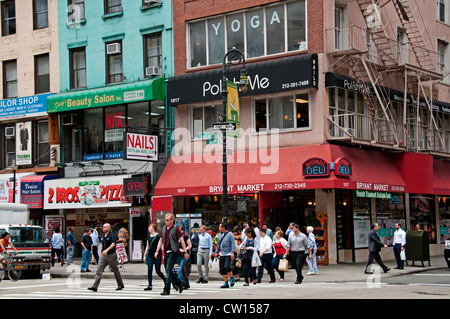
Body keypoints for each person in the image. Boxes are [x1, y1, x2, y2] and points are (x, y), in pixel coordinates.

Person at [155, 213, 189, 296]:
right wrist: (157, 251)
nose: (166, 221)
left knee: (168, 270)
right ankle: (179, 282)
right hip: (166, 252)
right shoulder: (163, 229)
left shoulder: (176, 229)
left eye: (167, 220)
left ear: (172, 220)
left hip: (173, 252)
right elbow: (160, 240)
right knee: (168, 270)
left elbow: (182, 240)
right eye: (165, 220)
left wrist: (185, 251)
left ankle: (166, 289)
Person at [87, 223, 125, 292]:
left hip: (111, 255)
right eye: (103, 227)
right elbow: (102, 243)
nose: (103, 228)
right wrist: (102, 251)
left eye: (105, 227)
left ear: (109, 228)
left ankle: (120, 284)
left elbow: (113, 244)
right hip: (104, 256)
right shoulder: (102, 236)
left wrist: (107, 250)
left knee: (115, 270)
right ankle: (95, 286)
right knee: (99, 270)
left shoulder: (112, 235)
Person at [143, 223, 166, 291]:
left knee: (157, 270)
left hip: (157, 255)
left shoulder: (158, 236)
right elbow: (147, 246)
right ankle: (150, 285)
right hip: (150, 255)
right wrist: (144, 255)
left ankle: (165, 280)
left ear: (153, 228)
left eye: (150, 227)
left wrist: (164, 254)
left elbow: (161, 245)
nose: (148, 229)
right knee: (149, 269)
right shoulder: (148, 236)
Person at [214, 223, 236, 288]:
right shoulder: (220, 235)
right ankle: (226, 282)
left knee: (227, 266)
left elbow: (233, 243)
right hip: (222, 253)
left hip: (228, 253)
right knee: (222, 268)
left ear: (223, 227)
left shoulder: (230, 234)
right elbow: (218, 244)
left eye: (220, 227)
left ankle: (231, 277)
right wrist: (216, 252)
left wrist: (232, 252)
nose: (219, 228)